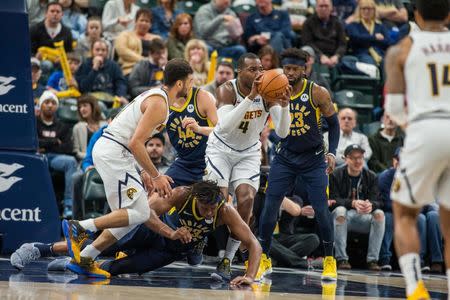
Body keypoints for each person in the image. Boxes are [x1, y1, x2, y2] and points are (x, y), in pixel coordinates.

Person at [62, 58, 194, 278]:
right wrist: (156, 175)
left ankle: (86, 257)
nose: (191, 86)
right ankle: (79, 227)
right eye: (190, 81)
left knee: (130, 216)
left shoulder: (158, 98)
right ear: (179, 84)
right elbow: (135, 142)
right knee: (140, 212)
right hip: (114, 151)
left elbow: (131, 137)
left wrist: (142, 171)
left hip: (116, 151)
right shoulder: (159, 103)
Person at [11, 181, 262, 286]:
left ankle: (72, 262)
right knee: (102, 242)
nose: (209, 213)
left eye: (212, 208)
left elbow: (253, 243)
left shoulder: (224, 210)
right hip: (155, 232)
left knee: (114, 270)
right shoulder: (181, 194)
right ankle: (39, 248)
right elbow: (144, 213)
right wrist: (171, 231)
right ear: (195, 198)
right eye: (205, 208)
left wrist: (250, 276)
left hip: (170, 251)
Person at [205, 52, 291, 281]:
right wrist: (250, 97)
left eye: (261, 69)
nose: (258, 74)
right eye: (252, 69)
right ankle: (198, 239)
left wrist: (285, 107)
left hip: (248, 152)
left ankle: (228, 258)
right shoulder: (226, 90)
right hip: (221, 149)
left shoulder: (268, 91)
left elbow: (282, 132)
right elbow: (223, 127)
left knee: (246, 200)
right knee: (217, 205)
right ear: (239, 72)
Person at [384, 0, 450, 297]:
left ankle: (414, 287)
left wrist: (417, 129)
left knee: (405, 213)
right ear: (449, 15)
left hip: (425, 127)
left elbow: (395, 109)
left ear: (415, 14)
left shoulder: (401, 50)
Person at [257, 48, 340, 281]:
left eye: (295, 69)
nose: (290, 73)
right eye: (287, 68)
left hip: (313, 159)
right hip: (285, 157)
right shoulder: (273, 89)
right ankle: (263, 258)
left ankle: (330, 260)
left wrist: (332, 152)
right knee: (270, 207)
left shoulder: (317, 93)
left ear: (304, 69)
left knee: (322, 210)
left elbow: (334, 125)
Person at [329, 144, 384, 271]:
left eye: (360, 157)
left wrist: (371, 205)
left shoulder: (371, 176)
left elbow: (380, 201)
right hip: (343, 217)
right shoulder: (336, 174)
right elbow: (332, 199)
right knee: (340, 210)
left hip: (363, 217)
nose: (357, 161)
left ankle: (373, 260)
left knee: (379, 214)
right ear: (345, 159)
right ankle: (342, 259)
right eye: (353, 158)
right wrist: (352, 203)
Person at [165, 86, 218, 187]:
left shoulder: (202, 96)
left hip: (208, 160)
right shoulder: (163, 101)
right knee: (158, 195)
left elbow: (223, 133)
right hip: (183, 162)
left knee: (211, 198)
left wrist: (199, 129)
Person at [36, 91, 78, 218]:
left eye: (53, 103)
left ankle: (68, 205)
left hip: (54, 158)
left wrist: (44, 145)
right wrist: (54, 142)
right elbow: (33, 143)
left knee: (70, 161)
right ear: (41, 105)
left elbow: (68, 148)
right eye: (47, 102)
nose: (50, 105)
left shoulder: (62, 126)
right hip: (37, 157)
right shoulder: (33, 123)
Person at [75, 39, 128, 104]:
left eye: (103, 50)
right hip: (91, 100)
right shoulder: (85, 65)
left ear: (107, 52)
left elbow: (120, 83)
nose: (100, 53)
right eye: (97, 50)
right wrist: (94, 69)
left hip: (110, 99)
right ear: (92, 51)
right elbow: (83, 88)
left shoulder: (114, 65)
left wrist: (120, 96)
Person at [114, 8, 162, 77]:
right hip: (130, 70)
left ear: (151, 24)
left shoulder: (157, 38)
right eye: (141, 20)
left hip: (154, 72)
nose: (144, 23)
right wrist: (145, 60)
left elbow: (162, 54)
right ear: (135, 22)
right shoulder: (124, 35)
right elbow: (122, 51)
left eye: (147, 21)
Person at [301, 0, 347, 68]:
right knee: (306, 51)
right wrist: (321, 56)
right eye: (321, 6)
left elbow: (342, 44)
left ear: (331, 8)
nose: (324, 8)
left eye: (326, 6)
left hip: (334, 56)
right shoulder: (308, 22)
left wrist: (337, 56)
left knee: (350, 60)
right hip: (315, 56)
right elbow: (307, 42)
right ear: (316, 7)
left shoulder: (338, 23)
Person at [72, 95, 107, 161]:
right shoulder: (77, 127)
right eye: (80, 107)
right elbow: (76, 152)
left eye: (85, 105)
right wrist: (90, 157)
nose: (82, 109)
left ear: (93, 107)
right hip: (87, 162)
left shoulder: (105, 125)